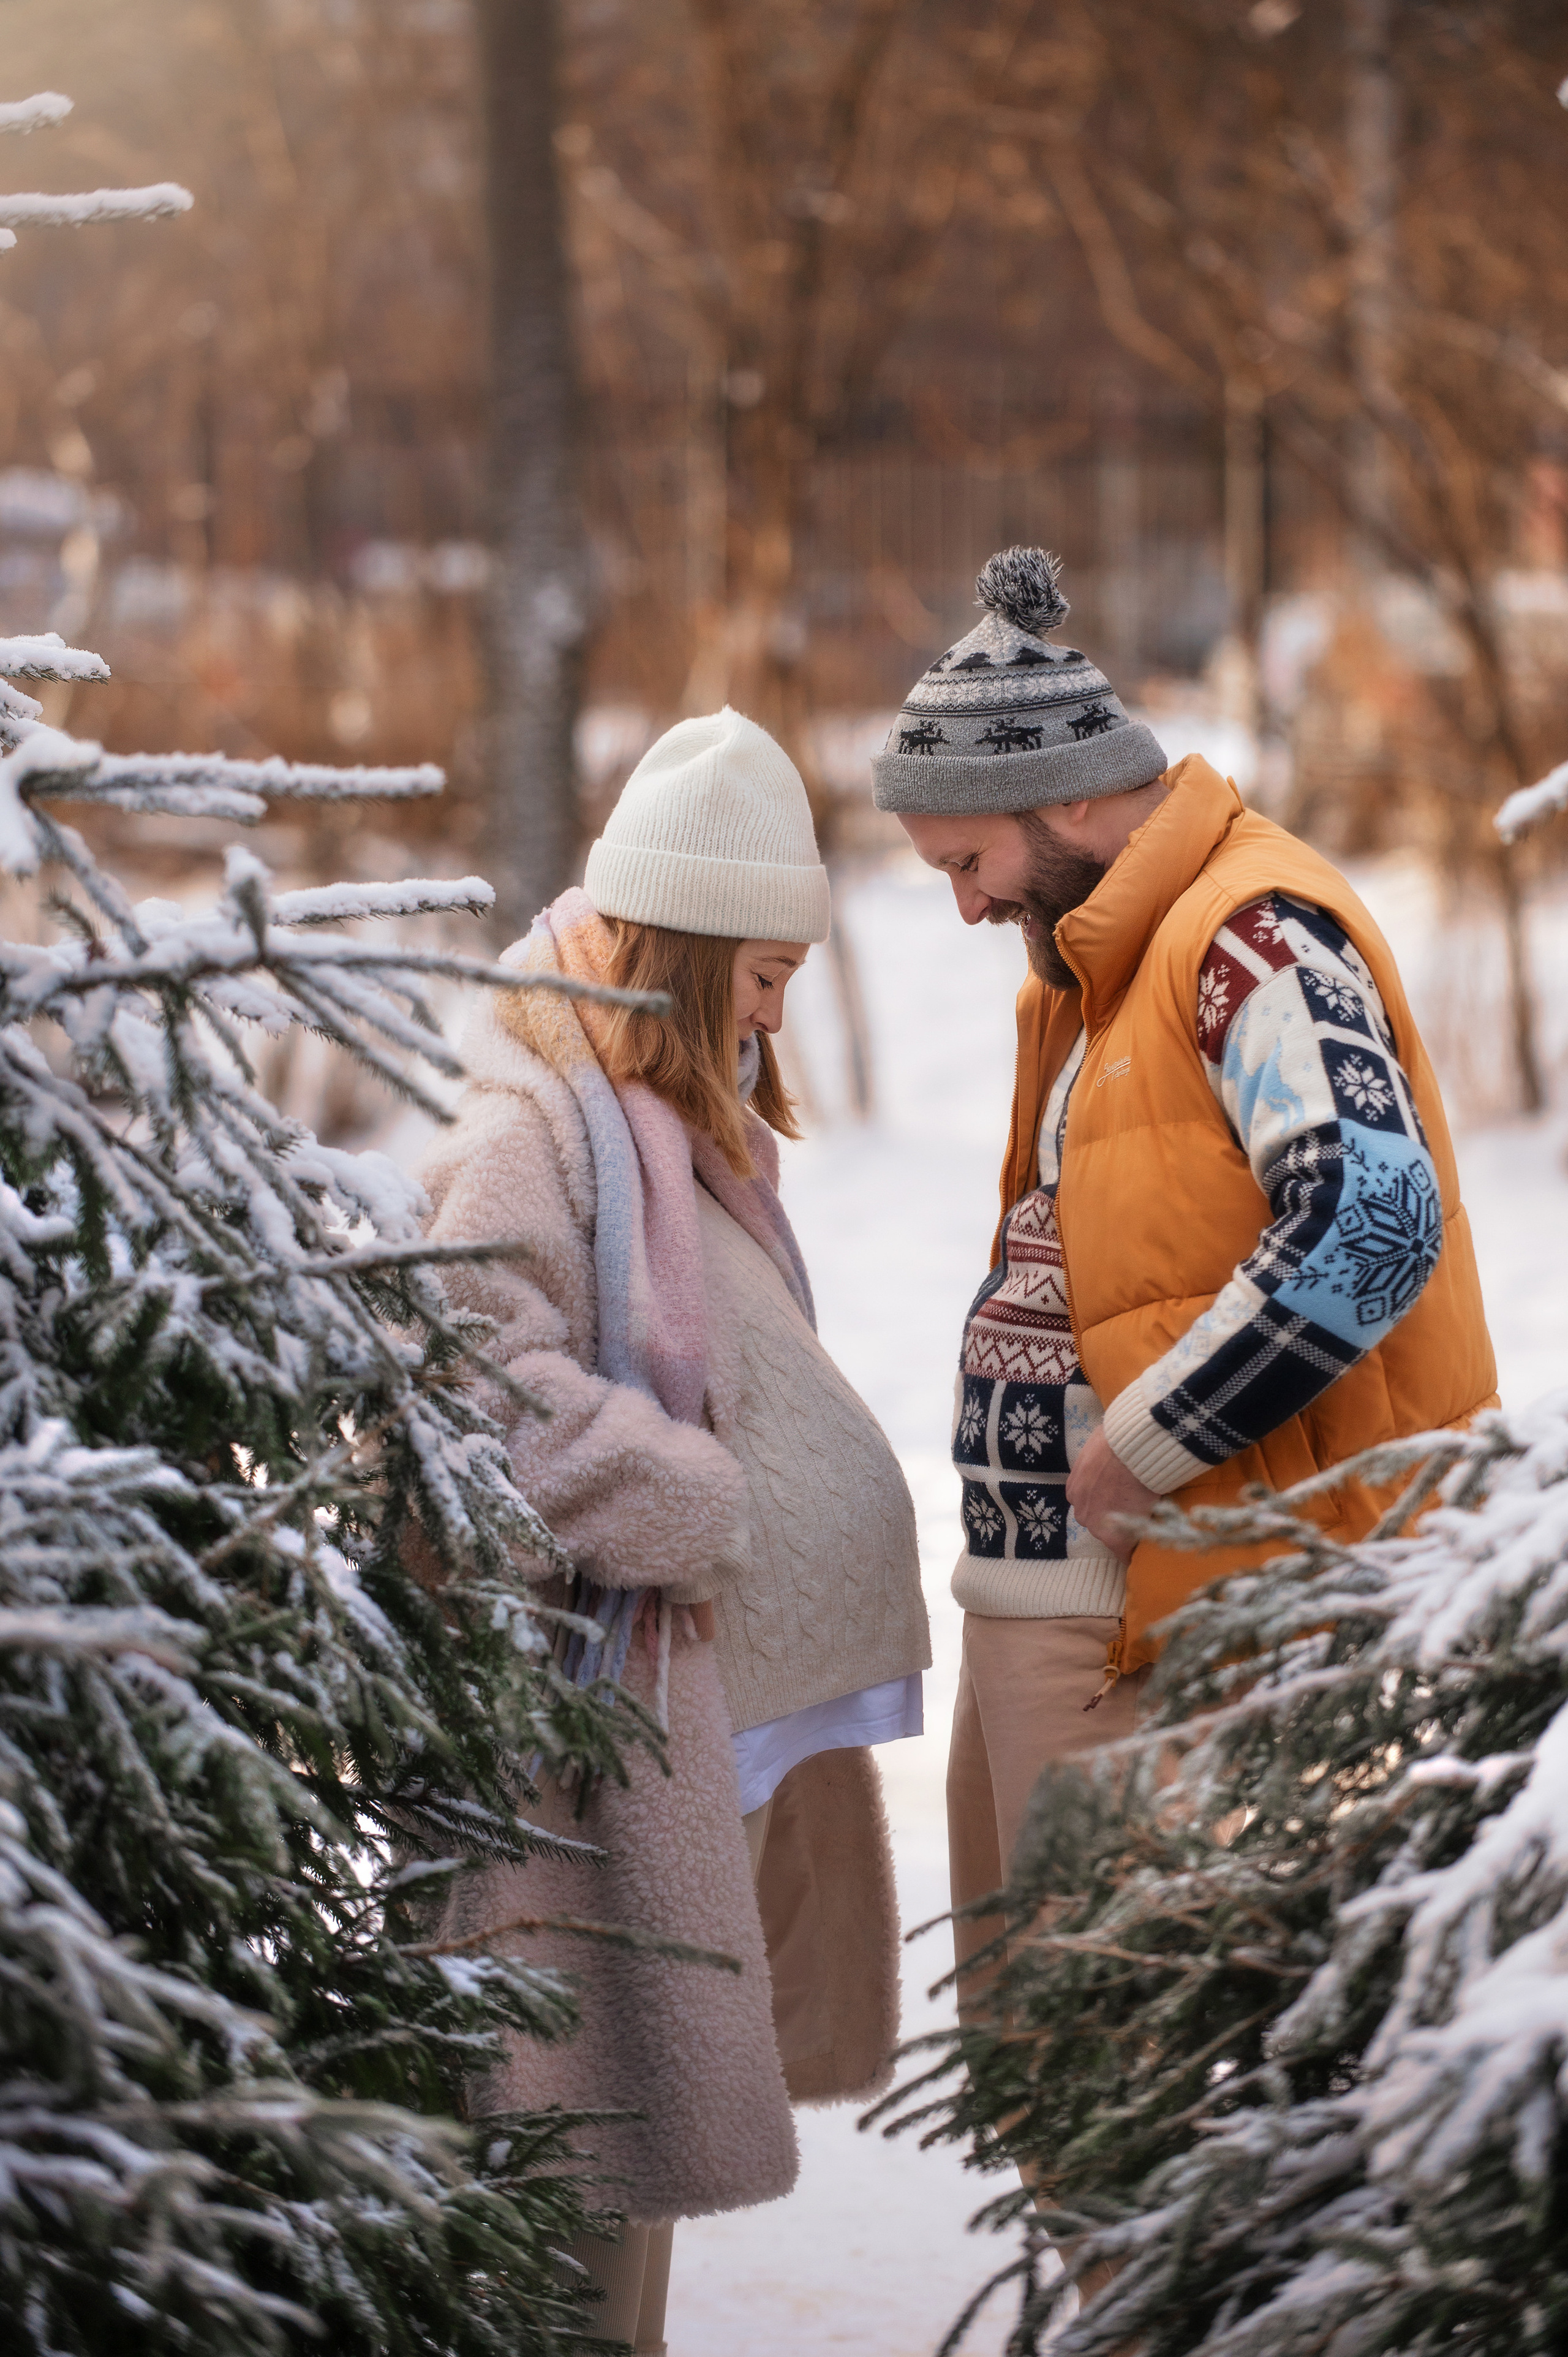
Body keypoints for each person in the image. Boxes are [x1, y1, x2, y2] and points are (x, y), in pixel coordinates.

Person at [870, 544, 1496, 2010]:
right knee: (1045, 2086)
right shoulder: (1107, 956)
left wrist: (1151, 1438)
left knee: (1116, 2093)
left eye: (970, 863)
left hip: (1158, 1611)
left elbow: (1376, 1213)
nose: (963, 908)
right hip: (1064, 1600)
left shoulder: (1247, 935)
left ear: (1074, 798)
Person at [418, 706, 930, 2356]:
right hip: (577, 1758)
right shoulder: (532, 1129)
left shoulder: (647, 1115)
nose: (778, 1017)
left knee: (618, 2186)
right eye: (764, 977)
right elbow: (481, 1404)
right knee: (571, 2192)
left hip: (673, 1738)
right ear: (692, 952)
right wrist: (698, 1507)